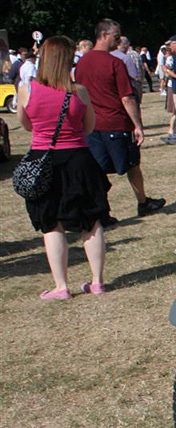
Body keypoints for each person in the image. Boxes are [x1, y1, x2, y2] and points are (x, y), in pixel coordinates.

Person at [17, 35, 111, 299]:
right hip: (79, 160)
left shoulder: (27, 90)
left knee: (51, 223)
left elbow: (27, 126)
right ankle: (96, 282)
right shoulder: (79, 91)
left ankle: (61, 287)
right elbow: (89, 127)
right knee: (91, 222)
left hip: (42, 160)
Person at [76, 18, 164, 217]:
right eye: (116, 37)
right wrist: (138, 125)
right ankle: (143, 202)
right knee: (132, 165)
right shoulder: (115, 62)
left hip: (91, 125)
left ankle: (101, 210)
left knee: (97, 169)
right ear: (104, 35)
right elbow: (127, 97)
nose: (118, 41)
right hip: (116, 123)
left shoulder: (82, 63)